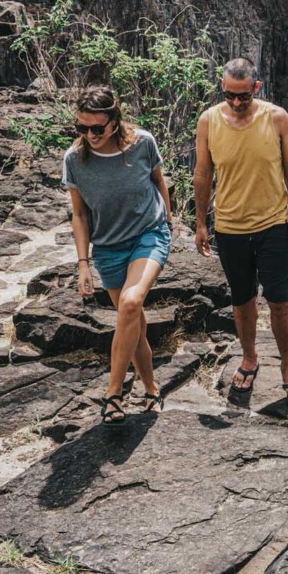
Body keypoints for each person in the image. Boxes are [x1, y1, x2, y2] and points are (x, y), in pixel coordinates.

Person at [192, 57, 288, 403]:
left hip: (273, 224)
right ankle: (249, 358)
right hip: (229, 228)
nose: (237, 103)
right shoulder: (208, 121)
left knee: (280, 301)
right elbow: (202, 174)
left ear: (256, 88)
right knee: (242, 301)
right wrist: (201, 223)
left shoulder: (276, 118)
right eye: (230, 95)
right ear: (223, 90)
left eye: (243, 96)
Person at [64, 85, 173, 425]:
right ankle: (152, 389)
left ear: (114, 121)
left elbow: (159, 181)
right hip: (108, 248)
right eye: (82, 128)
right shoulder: (75, 160)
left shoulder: (142, 143)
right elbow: (80, 215)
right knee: (133, 321)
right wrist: (83, 264)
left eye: (97, 128)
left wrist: (168, 221)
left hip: (148, 235)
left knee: (129, 303)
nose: (90, 135)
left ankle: (113, 394)